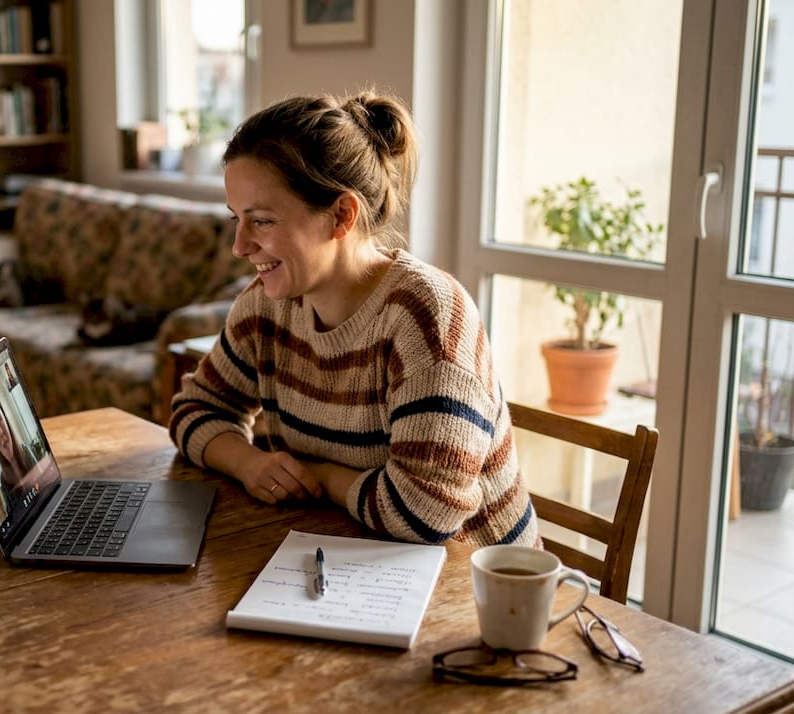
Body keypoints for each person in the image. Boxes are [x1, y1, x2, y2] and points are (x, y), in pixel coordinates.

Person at [168, 90, 539, 549]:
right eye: (237, 220)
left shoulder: (428, 319)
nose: (239, 247)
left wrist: (320, 478)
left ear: (341, 215)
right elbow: (194, 410)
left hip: (476, 588)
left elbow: (426, 514)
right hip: (349, 555)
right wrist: (249, 464)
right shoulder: (268, 306)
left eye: (261, 221)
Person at [0, 380, 41, 520]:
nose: (0, 432)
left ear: (5, 418)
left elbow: (46, 488)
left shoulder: (26, 451)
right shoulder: (4, 479)